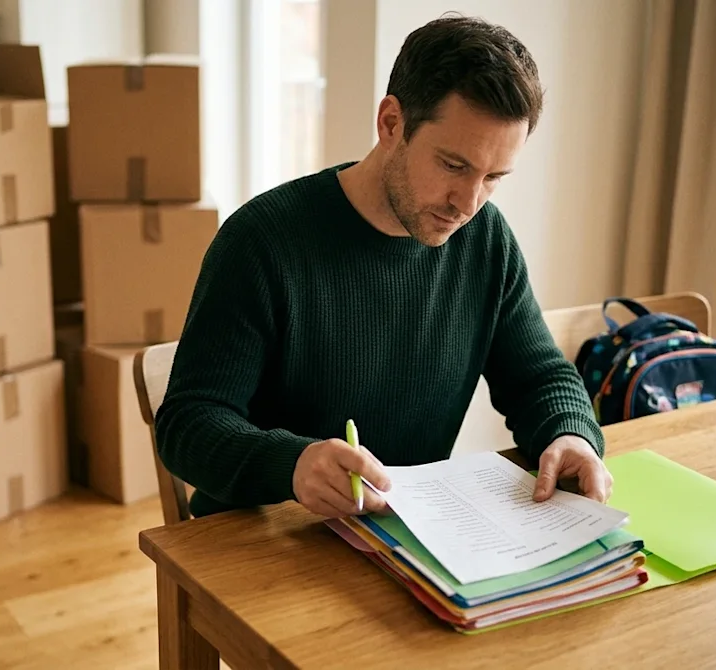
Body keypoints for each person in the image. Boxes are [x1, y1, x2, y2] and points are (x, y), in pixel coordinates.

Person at [155, 14, 613, 520]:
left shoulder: (485, 240)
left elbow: (539, 377)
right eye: (454, 166)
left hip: (407, 535)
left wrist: (570, 432)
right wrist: (291, 465)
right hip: (264, 538)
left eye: (494, 177)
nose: (468, 202)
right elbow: (188, 424)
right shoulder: (262, 241)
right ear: (391, 123)